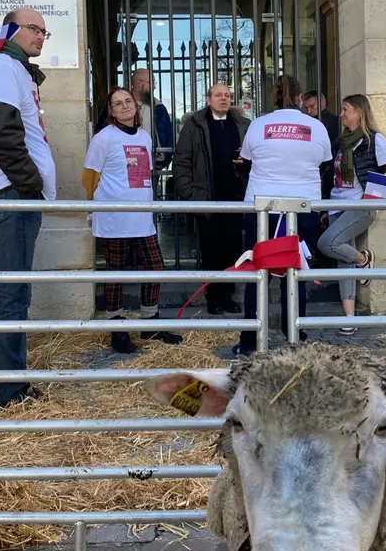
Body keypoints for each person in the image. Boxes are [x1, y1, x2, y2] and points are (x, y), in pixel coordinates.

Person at [0, 8, 57, 406]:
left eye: (45, 31)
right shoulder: (2, 64)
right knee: (8, 292)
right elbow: (0, 128)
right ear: (12, 30)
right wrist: (29, 181)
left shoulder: (11, 67)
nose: (41, 37)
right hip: (7, 192)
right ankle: (6, 389)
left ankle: (5, 381)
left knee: (10, 290)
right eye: (35, 29)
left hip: (9, 191)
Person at [234, 74, 332, 356]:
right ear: (301, 99)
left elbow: (247, 158)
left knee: (258, 273)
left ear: (273, 99)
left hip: (263, 208)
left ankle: (250, 341)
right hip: (303, 208)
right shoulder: (316, 127)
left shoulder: (259, 125)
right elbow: (325, 162)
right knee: (295, 272)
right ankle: (295, 338)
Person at [83, 87, 182, 354]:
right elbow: (89, 176)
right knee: (117, 274)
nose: (125, 106)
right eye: (118, 103)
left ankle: (150, 320)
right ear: (112, 111)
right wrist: (96, 208)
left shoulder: (144, 136)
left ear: (136, 107)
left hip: (142, 216)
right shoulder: (104, 138)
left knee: (154, 265)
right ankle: (116, 328)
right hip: (115, 217)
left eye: (128, 101)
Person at [317, 94, 386, 336]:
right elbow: (330, 176)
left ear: (359, 113)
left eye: (345, 109)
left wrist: (371, 199)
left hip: (360, 205)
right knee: (343, 259)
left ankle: (362, 259)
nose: (341, 114)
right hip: (336, 203)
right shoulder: (339, 142)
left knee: (328, 243)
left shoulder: (376, 141)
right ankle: (349, 317)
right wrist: (324, 207)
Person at [173, 83, 250, 314]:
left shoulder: (242, 125)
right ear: (209, 99)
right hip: (207, 198)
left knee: (234, 250)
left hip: (236, 199)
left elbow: (255, 158)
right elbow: (182, 162)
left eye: (227, 95)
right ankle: (213, 297)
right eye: (218, 95)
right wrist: (190, 194)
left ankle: (229, 295)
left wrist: (246, 166)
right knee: (211, 252)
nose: (223, 99)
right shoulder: (194, 125)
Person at [131, 68, 174, 169]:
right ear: (139, 83)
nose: (154, 87)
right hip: (127, 164)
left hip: (154, 164)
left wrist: (163, 161)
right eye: (152, 82)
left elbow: (168, 136)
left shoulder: (159, 108)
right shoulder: (120, 107)